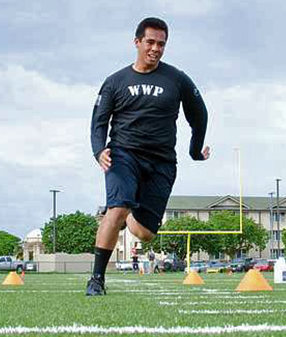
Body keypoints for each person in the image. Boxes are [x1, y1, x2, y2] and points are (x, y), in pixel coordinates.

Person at [86, 18, 210, 296]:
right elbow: (99, 121)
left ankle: (129, 210)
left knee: (144, 234)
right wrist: (98, 150)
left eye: (161, 44)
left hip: (161, 161)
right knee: (116, 209)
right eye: (150, 42)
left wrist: (194, 150)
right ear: (137, 42)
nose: (156, 48)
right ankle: (96, 279)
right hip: (123, 155)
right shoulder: (116, 81)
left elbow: (199, 114)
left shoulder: (176, 79)